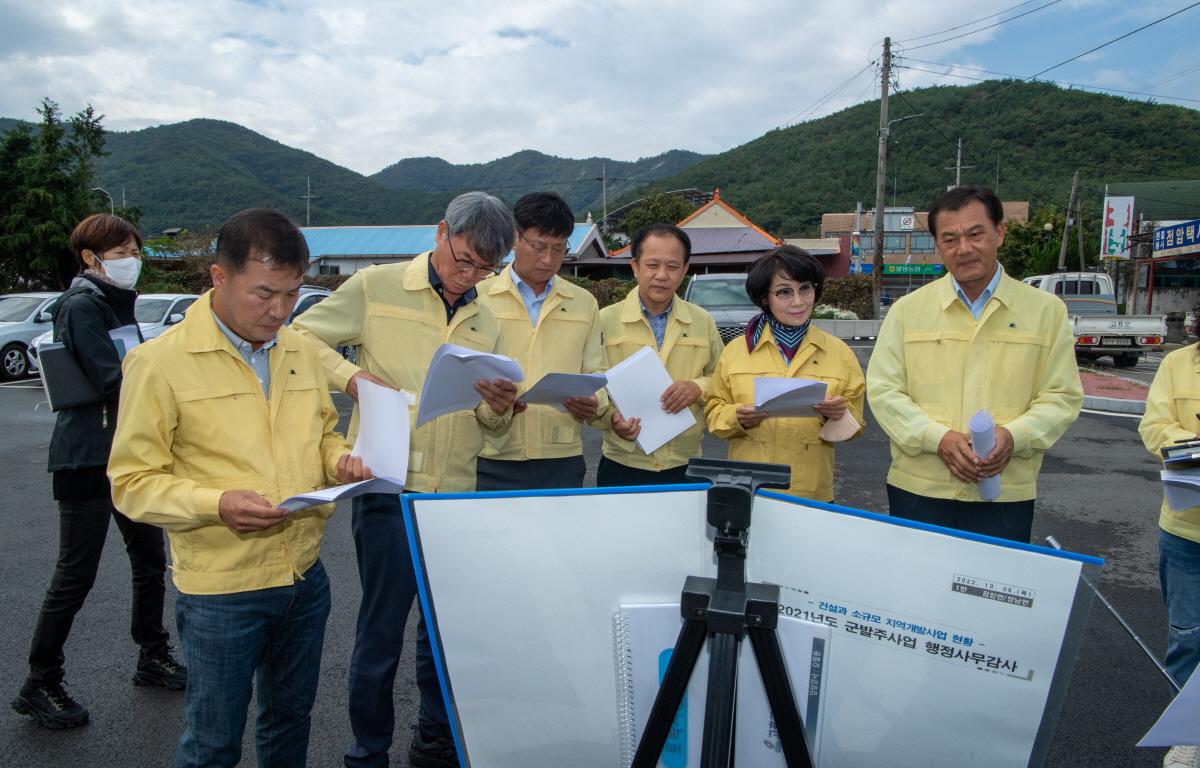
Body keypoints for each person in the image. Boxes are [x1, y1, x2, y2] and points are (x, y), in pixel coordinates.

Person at [108, 208, 370, 768]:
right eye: (264, 294)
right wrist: (216, 504)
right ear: (219, 277)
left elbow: (321, 433)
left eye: (293, 294)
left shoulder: (298, 350)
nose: (279, 311)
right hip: (221, 590)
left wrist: (340, 458)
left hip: (304, 576)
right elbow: (131, 483)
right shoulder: (159, 364)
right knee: (212, 743)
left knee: (289, 724)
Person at [292, 191, 518, 768]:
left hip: (456, 497)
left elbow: (490, 430)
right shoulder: (377, 287)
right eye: (462, 259)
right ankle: (368, 752)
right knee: (381, 632)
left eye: (485, 269)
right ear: (441, 232)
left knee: (442, 632)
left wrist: (498, 405)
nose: (469, 276)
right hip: (390, 489)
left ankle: (433, 736)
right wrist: (352, 378)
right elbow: (300, 339)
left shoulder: (486, 318)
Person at [12, 214, 185, 730]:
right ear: (91, 258)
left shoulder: (112, 304)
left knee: (149, 560)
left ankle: (152, 655)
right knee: (76, 575)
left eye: (135, 247)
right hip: (88, 456)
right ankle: (40, 681)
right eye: (121, 249)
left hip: (125, 453)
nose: (132, 257)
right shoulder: (82, 304)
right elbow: (113, 378)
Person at [867, 185, 1082, 542]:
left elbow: (1061, 396)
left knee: (993, 593)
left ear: (999, 233)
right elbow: (884, 390)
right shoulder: (908, 312)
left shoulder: (1046, 312)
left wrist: (1014, 435)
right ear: (937, 246)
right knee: (916, 592)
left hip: (1005, 493)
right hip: (919, 492)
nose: (963, 248)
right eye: (949, 239)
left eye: (975, 234)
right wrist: (938, 439)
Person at [705, 246, 865, 500]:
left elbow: (855, 426)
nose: (798, 302)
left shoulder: (839, 353)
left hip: (813, 494)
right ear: (764, 298)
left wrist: (838, 415)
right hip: (750, 490)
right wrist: (737, 417)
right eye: (784, 292)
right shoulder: (735, 352)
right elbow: (713, 412)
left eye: (805, 288)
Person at [474, 192, 604, 490]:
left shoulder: (584, 303)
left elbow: (597, 372)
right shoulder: (479, 298)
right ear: (514, 239)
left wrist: (595, 402)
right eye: (538, 246)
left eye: (558, 249)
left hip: (561, 457)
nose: (548, 259)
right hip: (491, 455)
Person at [596, 223, 724, 485]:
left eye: (673, 266)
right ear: (635, 267)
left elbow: (722, 380)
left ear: (685, 270)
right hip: (623, 463)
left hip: (684, 463)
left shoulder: (702, 321)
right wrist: (611, 418)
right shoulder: (605, 320)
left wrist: (697, 387)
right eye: (653, 265)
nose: (662, 275)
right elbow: (591, 383)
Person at [1138, 346, 1200, 768]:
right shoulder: (1179, 363)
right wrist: (1191, 445)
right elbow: (1154, 425)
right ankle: (1189, 731)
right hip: (1187, 528)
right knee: (1187, 634)